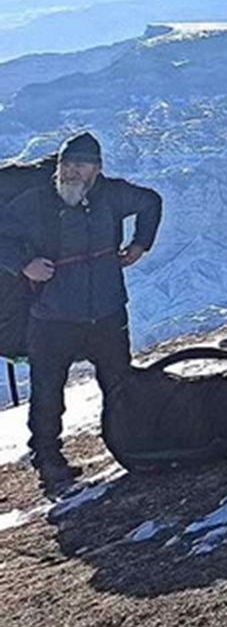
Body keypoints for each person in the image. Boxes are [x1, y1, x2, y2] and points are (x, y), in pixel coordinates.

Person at [0, 133, 161, 492]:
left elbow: (151, 202)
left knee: (118, 382)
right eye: (66, 164)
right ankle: (47, 457)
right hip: (52, 316)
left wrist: (140, 244)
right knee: (47, 391)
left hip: (106, 312)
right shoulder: (34, 202)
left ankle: (129, 446)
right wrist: (23, 264)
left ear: (97, 170)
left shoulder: (113, 195)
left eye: (81, 164)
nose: (72, 171)